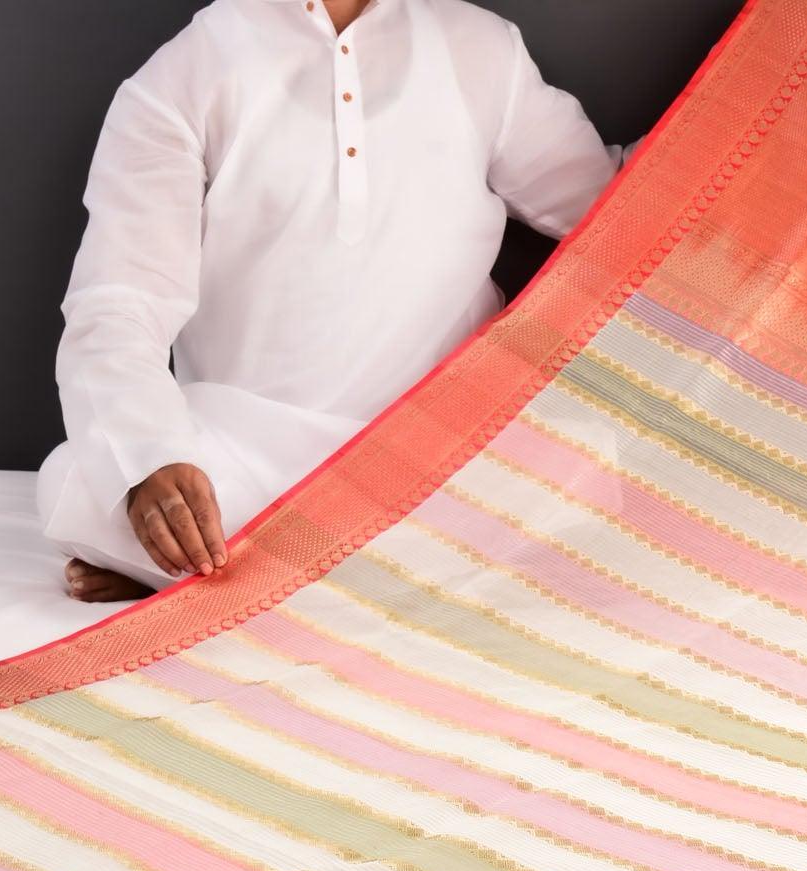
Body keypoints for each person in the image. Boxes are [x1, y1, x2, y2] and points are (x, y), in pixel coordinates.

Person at [38, 0, 642, 603]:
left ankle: (231, 579)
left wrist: (711, 126)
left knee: (583, 460)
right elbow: (118, 302)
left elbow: (626, 210)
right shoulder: (184, 76)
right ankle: (355, 574)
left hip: (450, 451)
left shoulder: (481, 47)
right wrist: (151, 463)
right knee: (81, 483)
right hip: (259, 459)